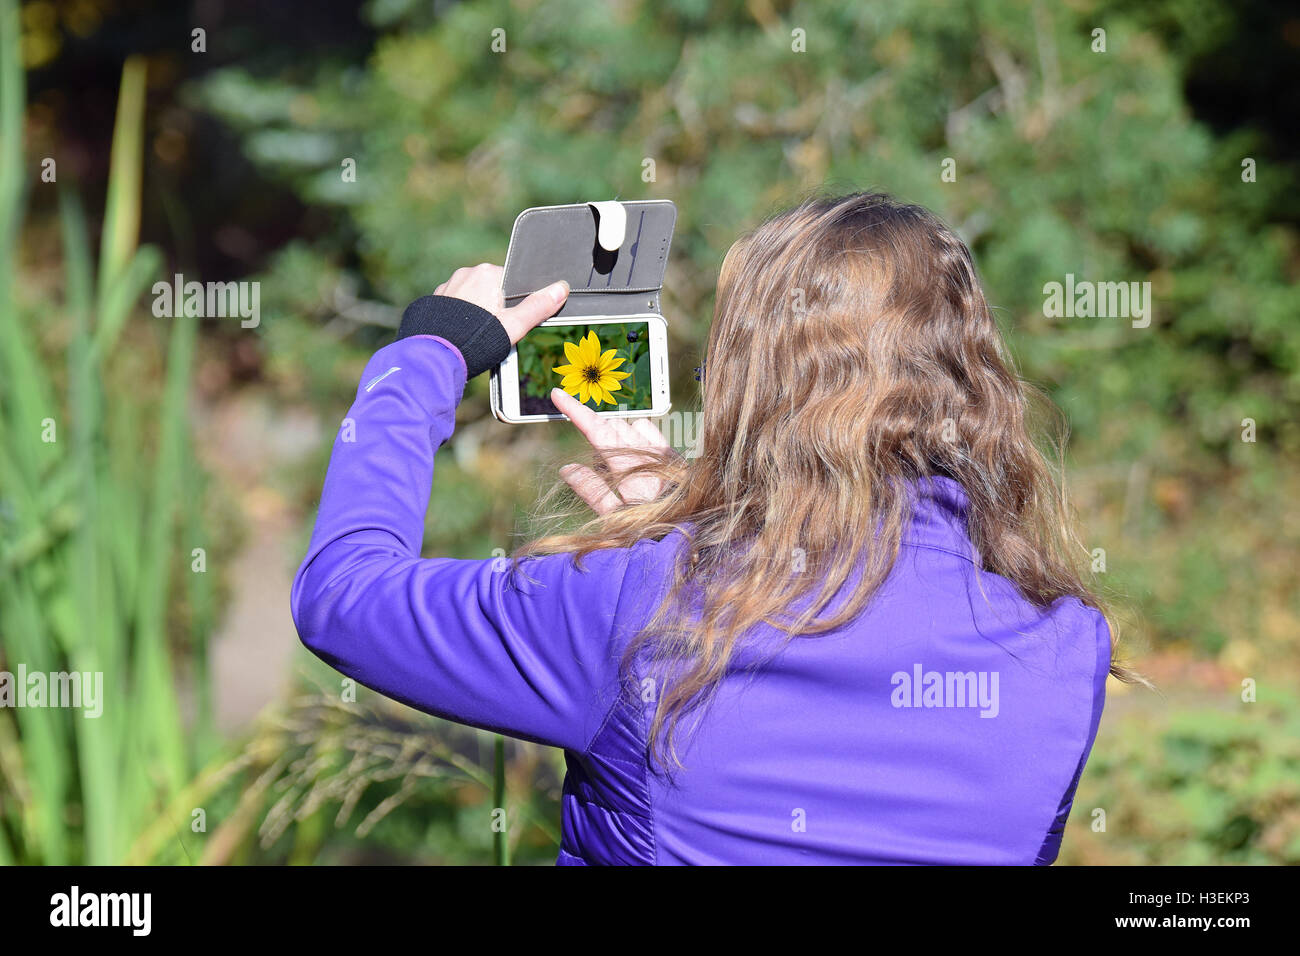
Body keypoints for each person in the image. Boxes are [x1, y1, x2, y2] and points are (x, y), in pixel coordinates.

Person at [291, 191, 1136, 865]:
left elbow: (343, 596)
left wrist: (426, 359)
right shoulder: (1066, 647)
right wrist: (700, 528)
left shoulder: (639, 609)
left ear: (747, 389)